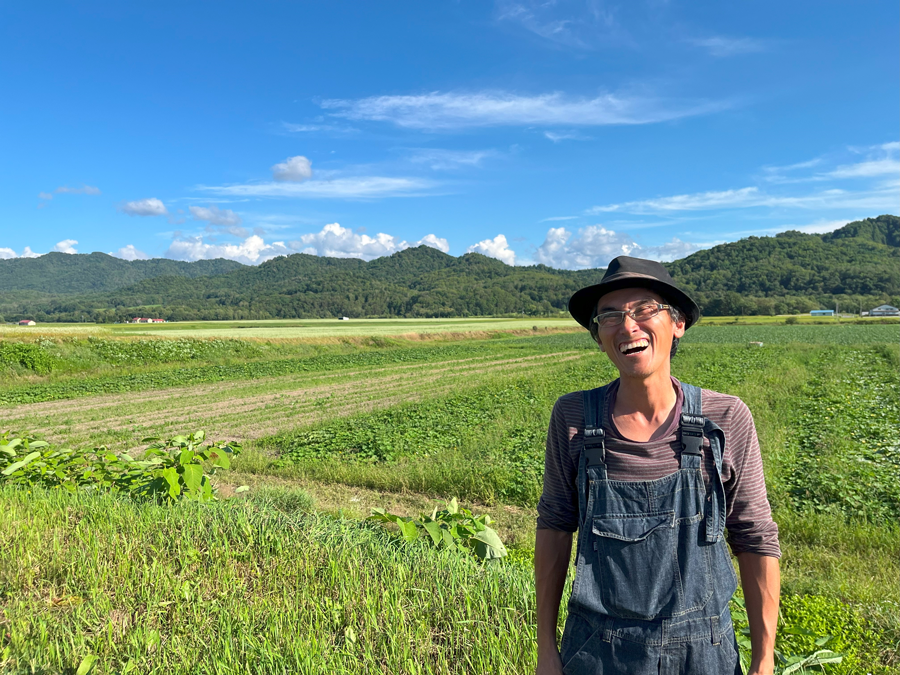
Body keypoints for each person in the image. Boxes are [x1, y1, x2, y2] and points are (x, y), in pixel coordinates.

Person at [535, 256, 780, 675]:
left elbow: (755, 537)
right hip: (597, 652)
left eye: (644, 310)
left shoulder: (724, 419)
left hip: (705, 654)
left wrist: (763, 660)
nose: (628, 326)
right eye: (609, 316)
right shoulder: (574, 415)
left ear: (677, 323)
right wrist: (545, 651)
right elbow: (555, 527)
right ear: (598, 336)